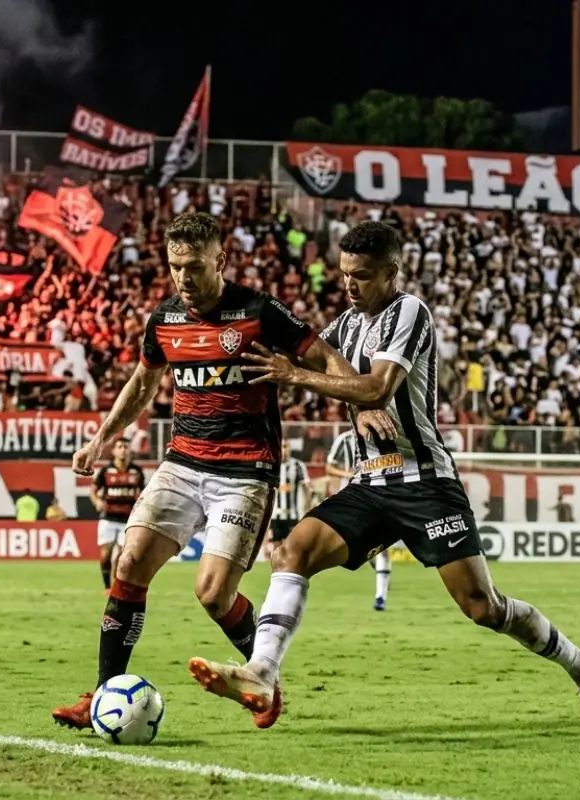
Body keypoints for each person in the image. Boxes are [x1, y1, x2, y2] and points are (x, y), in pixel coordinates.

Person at [187, 221, 580, 734]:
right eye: (345, 274)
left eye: (362, 276)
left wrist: (311, 380)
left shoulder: (409, 312)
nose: (349, 285)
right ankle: (262, 671)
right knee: (291, 551)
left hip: (425, 482)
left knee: (482, 606)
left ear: (392, 273)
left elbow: (375, 387)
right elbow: (339, 376)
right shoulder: (345, 326)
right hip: (371, 482)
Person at [52, 212, 393, 731]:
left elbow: (325, 355)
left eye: (193, 266)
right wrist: (103, 437)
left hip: (244, 472)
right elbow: (144, 383)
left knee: (212, 594)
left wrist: (363, 404)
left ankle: (263, 679)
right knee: (129, 562)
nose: (183, 279)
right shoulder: (164, 319)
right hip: (182, 463)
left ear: (220, 260)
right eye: (174, 268)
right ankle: (101, 694)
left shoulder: (258, 312)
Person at [329, 428, 391, 610]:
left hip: (378, 497)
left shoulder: (382, 436)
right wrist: (347, 475)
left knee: (383, 547)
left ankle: (381, 597)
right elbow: (329, 466)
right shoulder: (344, 439)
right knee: (360, 547)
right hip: (351, 500)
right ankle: (378, 568)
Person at [91, 437, 147, 592]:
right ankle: (107, 586)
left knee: (122, 556)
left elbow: (142, 493)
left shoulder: (137, 471)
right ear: (114, 451)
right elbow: (93, 490)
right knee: (106, 554)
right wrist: (97, 501)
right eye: (120, 446)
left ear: (130, 451)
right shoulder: (106, 470)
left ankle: (116, 586)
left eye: (126, 447)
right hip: (108, 517)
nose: (123, 449)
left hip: (127, 519)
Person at [265, 448, 313, 560]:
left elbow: (307, 487)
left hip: (292, 515)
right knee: (275, 548)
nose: (285, 450)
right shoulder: (271, 465)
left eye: (287, 446)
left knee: (291, 548)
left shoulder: (297, 465)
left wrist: (307, 507)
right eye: (282, 446)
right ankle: (276, 572)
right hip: (275, 515)